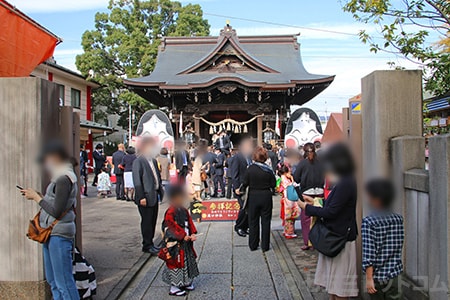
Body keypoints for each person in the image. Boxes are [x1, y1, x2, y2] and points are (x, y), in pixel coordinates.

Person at [298, 143, 359, 299]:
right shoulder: (344, 181)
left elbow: (331, 212)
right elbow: (333, 206)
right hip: (335, 236)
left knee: (340, 287)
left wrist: (307, 207)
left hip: (340, 238)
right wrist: (314, 202)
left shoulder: (346, 183)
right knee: (333, 285)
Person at [21, 140, 79, 300]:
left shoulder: (64, 178)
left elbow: (56, 209)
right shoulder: (60, 177)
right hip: (50, 233)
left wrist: (37, 198)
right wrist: (39, 195)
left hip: (59, 233)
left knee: (64, 282)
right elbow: (54, 202)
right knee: (53, 281)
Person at [362, 179, 404, 299]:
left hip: (378, 277)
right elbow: (398, 246)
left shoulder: (369, 222)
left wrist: (369, 279)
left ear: (377, 200)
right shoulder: (398, 219)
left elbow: (369, 254)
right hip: (395, 275)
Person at [161, 185, 199, 296]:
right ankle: (174, 286)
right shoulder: (170, 212)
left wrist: (192, 233)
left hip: (186, 243)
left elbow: (190, 223)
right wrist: (182, 236)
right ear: (173, 198)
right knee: (175, 264)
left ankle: (186, 282)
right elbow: (169, 227)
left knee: (187, 262)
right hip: (175, 245)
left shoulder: (183, 210)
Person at [239, 146, 276, 252]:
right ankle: (265, 245)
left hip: (253, 196)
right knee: (266, 221)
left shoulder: (250, 169)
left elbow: (245, 183)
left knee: (253, 221)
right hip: (266, 196)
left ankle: (253, 244)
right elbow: (273, 184)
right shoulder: (269, 170)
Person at [133, 137, 164, 254]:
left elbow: (157, 177)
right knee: (146, 221)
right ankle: (146, 245)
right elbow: (137, 181)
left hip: (154, 195)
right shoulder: (139, 161)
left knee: (152, 220)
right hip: (145, 197)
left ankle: (151, 242)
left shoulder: (154, 161)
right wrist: (141, 197)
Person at [293, 143, 325, 250]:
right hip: (319, 192)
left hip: (307, 192)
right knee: (318, 217)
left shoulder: (302, 163)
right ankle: (318, 241)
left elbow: (296, 178)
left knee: (306, 219)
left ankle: (307, 242)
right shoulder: (321, 162)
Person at [231, 136, 254, 237]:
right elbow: (234, 173)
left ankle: (246, 226)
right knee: (243, 207)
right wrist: (236, 187)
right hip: (240, 186)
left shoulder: (249, 157)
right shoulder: (237, 157)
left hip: (249, 186)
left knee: (248, 208)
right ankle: (239, 226)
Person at [278, 164, 299, 239]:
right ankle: (289, 232)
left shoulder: (282, 178)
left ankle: (286, 230)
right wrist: (292, 178)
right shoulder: (285, 179)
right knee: (289, 216)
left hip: (286, 199)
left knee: (288, 216)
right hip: (288, 200)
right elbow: (292, 185)